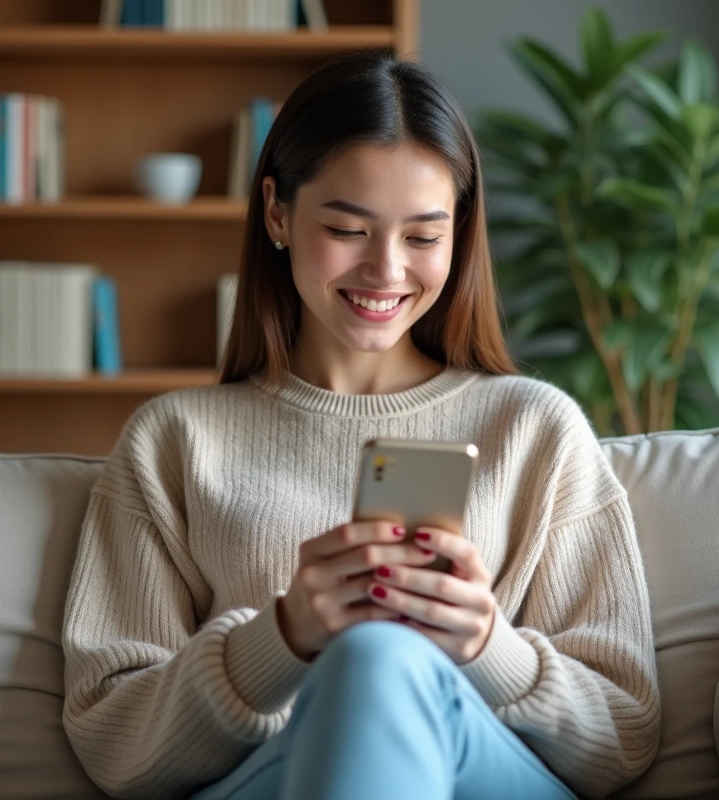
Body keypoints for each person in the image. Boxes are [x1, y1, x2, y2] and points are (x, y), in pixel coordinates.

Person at [62, 50, 659, 800]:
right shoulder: (173, 440)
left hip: (476, 772)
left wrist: (487, 647)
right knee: (368, 662)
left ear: (459, 233)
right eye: (348, 228)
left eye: (422, 236)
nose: (386, 271)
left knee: (381, 659)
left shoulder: (533, 429)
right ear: (277, 212)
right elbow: (113, 745)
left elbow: (624, 737)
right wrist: (277, 642)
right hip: (270, 780)